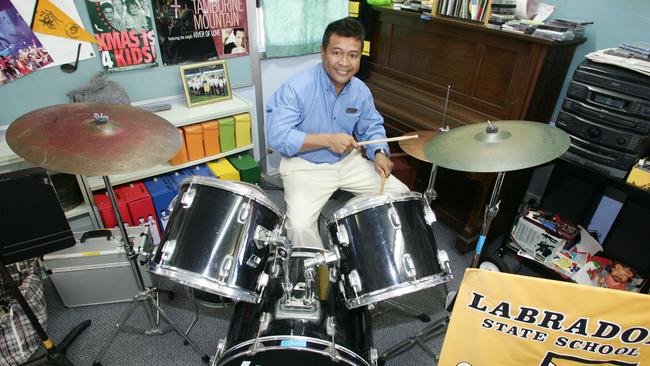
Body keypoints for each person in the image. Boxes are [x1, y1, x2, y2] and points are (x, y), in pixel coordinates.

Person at [265, 17, 409, 249]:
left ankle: (376, 256)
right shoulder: (297, 88)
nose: (344, 63)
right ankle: (317, 274)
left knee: (401, 197)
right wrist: (327, 140)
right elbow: (278, 136)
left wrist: (380, 152)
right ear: (322, 52)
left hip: (348, 163)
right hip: (306, 166)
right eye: (337, 53)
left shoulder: (360, 91)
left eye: (353, 55)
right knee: (299, 227)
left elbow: (371, 127)